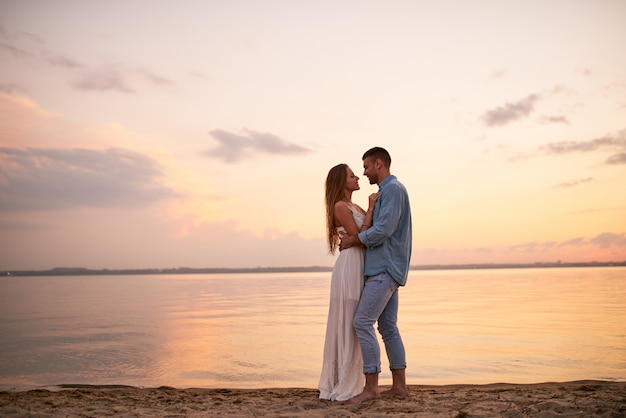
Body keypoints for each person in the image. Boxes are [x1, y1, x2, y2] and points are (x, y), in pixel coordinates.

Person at [339, 147, 412, 404]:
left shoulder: (393, 190)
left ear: (378, 164)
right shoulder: (386, 192)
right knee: (388, 327)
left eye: (366, 167)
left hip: (384, 268)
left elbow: (383, 231)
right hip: (386, 267)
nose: (364, 172)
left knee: (362, 322)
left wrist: (353, 240)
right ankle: (400, 387)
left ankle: (371, 387)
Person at [318, 163, 379, 401]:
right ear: (341, 182)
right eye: (352, 176)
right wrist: (371, 209)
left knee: (356, 322)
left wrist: (370, 212)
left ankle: (355, 379)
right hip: (350, 266)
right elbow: (360, 238)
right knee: (348, 321)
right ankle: (343, 380)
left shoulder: (353, 205)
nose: (357, 178)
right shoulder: (340, 206)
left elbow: (365, 234)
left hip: (360, 264)